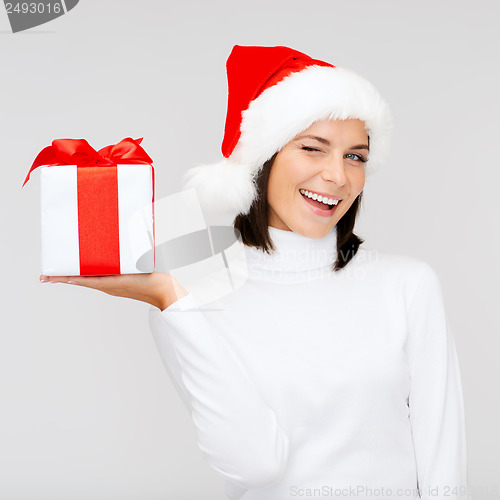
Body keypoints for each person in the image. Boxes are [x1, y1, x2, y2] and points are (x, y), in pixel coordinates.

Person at [40, 45, 470, 500]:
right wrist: (171, 300)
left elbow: (444, 457)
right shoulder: (192, 291)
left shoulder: (406, 285)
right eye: (312, 149)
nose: (338, 176)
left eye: (356, 157)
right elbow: (254, 466)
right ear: (262, 160)